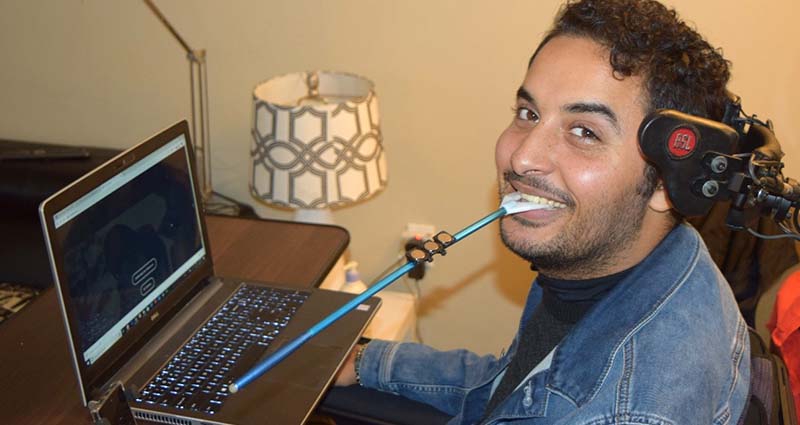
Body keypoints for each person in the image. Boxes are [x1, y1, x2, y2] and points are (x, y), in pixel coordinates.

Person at [335, 0, 750, 423]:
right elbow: (511, 386)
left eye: (585, 132)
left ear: (665, 184)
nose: (522, 157)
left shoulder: (621, 411)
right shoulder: (612, 257)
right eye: (528, 113)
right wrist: (368, 361)